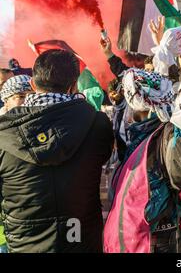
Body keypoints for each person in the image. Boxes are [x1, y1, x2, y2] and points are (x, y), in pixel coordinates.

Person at [0, 49, 114, 252]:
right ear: (74, 86)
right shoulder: (98, 125)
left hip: (24, 245)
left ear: (33, 86)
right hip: (81, 240)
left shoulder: (4, 132)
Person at [104, 61, 181, 253]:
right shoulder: (141, 137)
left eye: (126, 97)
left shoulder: (165, 135)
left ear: (140, 105)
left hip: (158, 243)